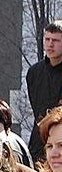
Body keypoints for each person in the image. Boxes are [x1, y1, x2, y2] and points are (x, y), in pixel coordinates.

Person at [26, 20, 62, 161]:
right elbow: (37, 109)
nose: (50, 44)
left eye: (56, 40)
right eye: (47, 39)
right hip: (39, 141)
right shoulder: (34, 73)